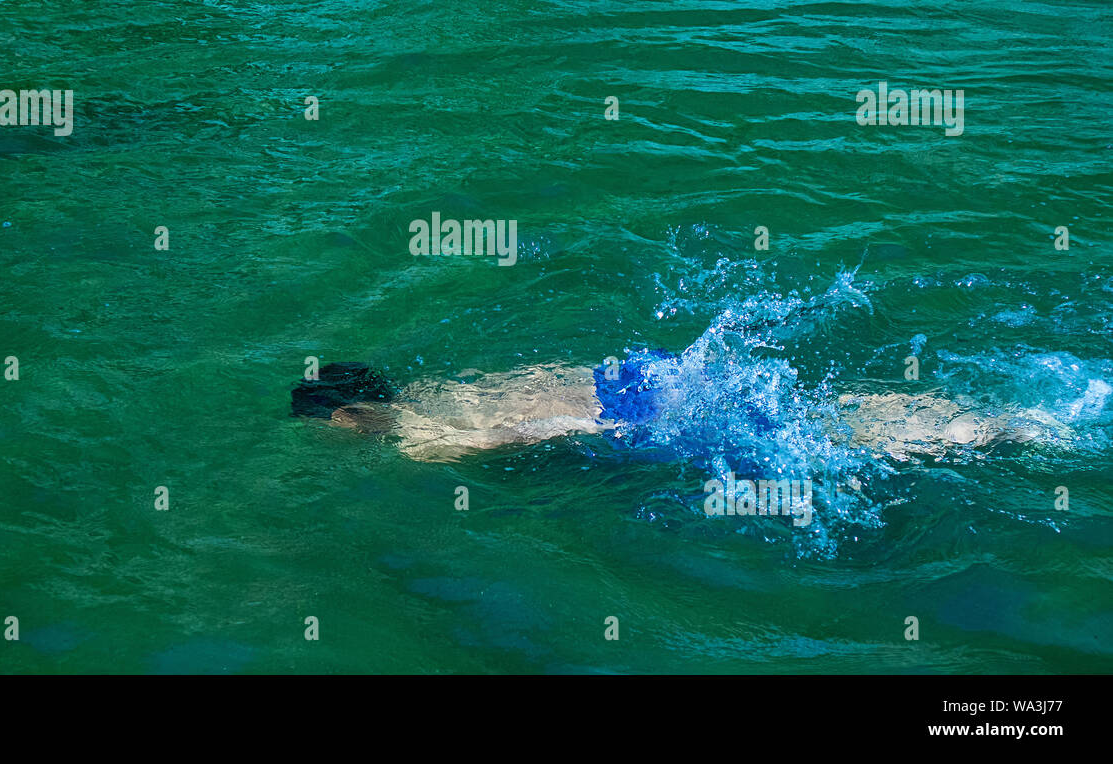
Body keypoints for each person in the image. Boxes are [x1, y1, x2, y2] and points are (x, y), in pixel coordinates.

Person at [292, 351, 1068, 464]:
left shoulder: (420, 438)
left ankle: (1003, 432)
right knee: (815, 410)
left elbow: (524, 429)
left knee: (820, 439)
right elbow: (549, 378)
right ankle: (990, 417)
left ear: (346, 417)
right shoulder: (437, 390)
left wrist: (600, 429)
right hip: (636, 373)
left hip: (626, 413)